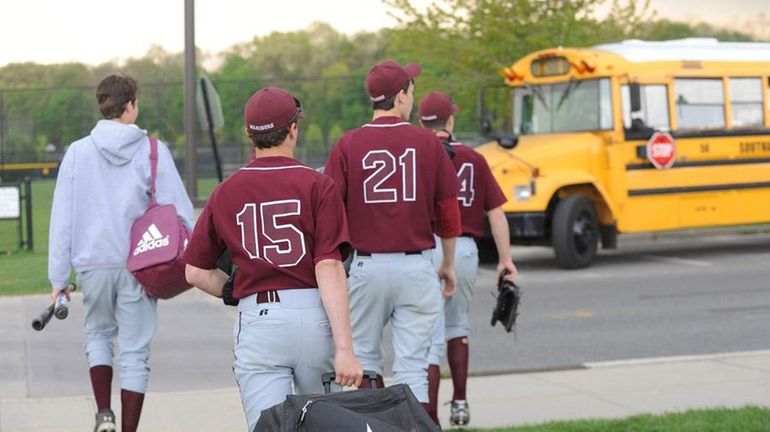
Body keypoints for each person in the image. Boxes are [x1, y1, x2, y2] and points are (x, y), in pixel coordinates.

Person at [184, 87, 363, 431]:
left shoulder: (227, 190)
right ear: (293, 129)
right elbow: (328, 266)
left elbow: (194, 271)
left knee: (269, 427)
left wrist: (232, 291)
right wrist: (345, 348)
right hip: (314, 314)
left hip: (259, 317)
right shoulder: (318, 184)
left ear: (249, 134)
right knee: (323, 425)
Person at [48, 74, 194, 432]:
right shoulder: (152, 151)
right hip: (139, 265)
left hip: (92, 263)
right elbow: (181, 213)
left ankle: (103, 414)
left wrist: (58, 277)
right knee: (135, 352)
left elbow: (62, 218)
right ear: (129, 106)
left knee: (97, 335)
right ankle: (128, 428)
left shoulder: (77, 152)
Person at [324, 60, 462, 410]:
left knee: (366, 364)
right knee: (412, 368)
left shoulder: (348, 144)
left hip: (366, 266)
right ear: (400, 97)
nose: (411, 96)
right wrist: (447, 264)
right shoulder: (427, 143)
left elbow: (330, 211)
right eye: (410, 90)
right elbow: (448, 214)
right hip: (415, 264)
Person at [418, 91, 518, 426]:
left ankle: (429, 415)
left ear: (421, 122)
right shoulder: (473, 158)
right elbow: (497, 213)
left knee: (429, 336)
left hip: (427, 247)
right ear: (450, 120)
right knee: (457, 326)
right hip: (464, 248)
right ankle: (460, 402)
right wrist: (505, 259)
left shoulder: (417, 156)